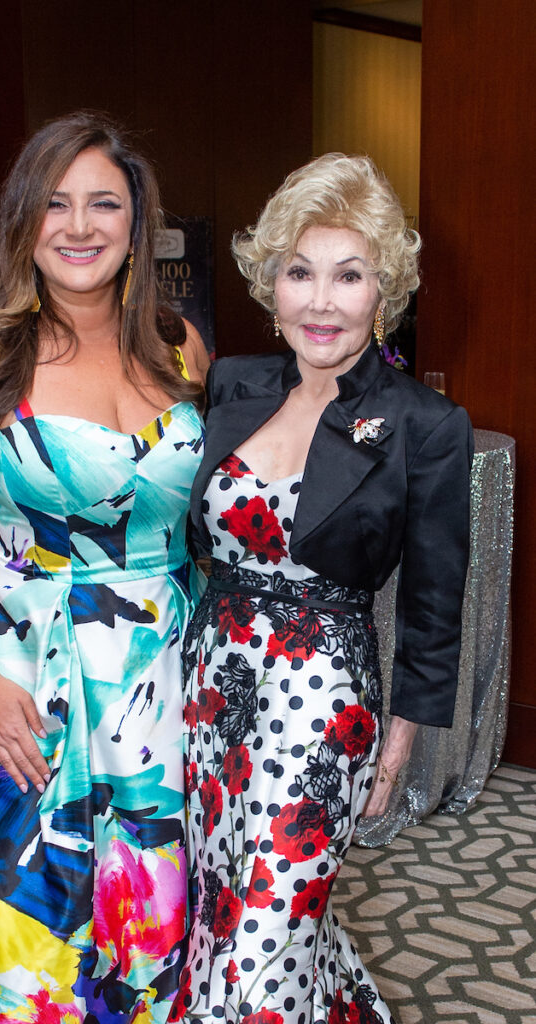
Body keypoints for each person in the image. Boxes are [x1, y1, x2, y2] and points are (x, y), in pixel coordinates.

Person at [0, 110, 209, 1024]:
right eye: (56, 204)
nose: (79, 227)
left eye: (103, 204)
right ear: (24, 221)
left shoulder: (182, 347)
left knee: (155, 920)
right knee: (32, 933)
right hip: (19, 680)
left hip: (162, 679)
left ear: (136, 222)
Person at [174, 154, 472, 1024]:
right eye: (299, 272)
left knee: (269, 929)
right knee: (220, 907)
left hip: (321, 705)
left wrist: (405, 735)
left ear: (386, 290)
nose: (320, 301)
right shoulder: (234, 385)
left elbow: (432, 599)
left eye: (349, 276)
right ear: (272, 284)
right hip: (207, 686)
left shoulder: (425, 424)